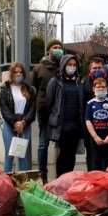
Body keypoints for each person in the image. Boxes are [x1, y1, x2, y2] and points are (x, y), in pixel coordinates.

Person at [45, 54, 85, 177]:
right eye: (69, 64)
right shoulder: (55, 81)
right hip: (61, 126)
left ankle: (67, 180)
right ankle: (60, 180)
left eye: (74, 65)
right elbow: (48, 102)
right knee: (63, 154)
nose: (72, 67)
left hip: (76, 126)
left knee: (71, 155)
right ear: (63, 65)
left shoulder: (79, 82)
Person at [31, 38, 64, 184]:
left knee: (61, 144)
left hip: (60, 111)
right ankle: (43, 173)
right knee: (43, 143)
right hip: (44, 111)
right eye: (55, 47)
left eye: (59, 47)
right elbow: (34, 90)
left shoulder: (63, 67)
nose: (58, 49)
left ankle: (61, 174)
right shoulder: (39, 68)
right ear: (48, 50)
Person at [0, 62, 37, 173]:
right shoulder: (5, 89)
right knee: (9, 155)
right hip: (9, 126)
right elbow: (4, 108)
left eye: (20, 72)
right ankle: (7, 182)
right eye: (16, 72)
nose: (18, 74)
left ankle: (22, 183)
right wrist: (15, 122)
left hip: (25, 126)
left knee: (22, 155)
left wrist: (23, 123)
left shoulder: (30, 90)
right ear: (12, 74)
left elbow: (32, 110)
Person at [82, 56, 108, 170]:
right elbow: (82, 105)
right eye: (94, 68)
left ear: (104, 68)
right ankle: (92, 180)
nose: (97, 70)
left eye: (99, 67)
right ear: (90, 69)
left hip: (107, 128)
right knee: (92, 157)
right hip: (90, 127)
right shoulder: (84, 83)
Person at [85, 77, 108, 171]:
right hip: (96, 139)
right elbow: (88, 121)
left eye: (103, 87)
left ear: (107, 88)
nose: (101, 89)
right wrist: (95, 137)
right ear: (93, 89)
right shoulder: (90, 104)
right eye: (98, 87)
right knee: (96, 163)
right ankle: (97, 183)